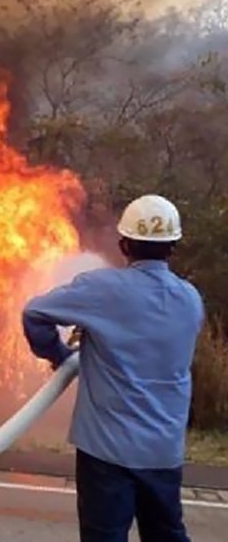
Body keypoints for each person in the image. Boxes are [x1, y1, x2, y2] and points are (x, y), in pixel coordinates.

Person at [22, 194, 205, 542]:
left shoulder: (101, 289)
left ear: (124, 244)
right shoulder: (191, 299)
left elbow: (35, 313)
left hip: (107, 452)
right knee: (166, 535)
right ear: (173, 247)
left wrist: (59, 354)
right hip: (163, 451)